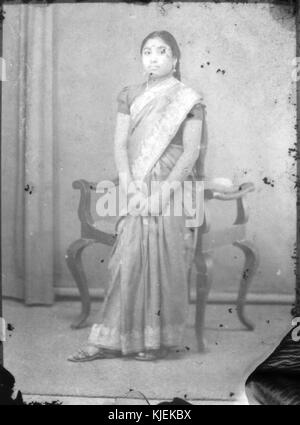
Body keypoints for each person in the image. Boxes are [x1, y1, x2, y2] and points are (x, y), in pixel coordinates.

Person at [68, 30, 208, 362]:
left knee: (164, 260)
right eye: (148, 52)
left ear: (175, 59)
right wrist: (129, 185)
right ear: (141, 57)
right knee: (125, 260)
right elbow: (119, 145)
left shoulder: (189, 99)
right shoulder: (129, 94)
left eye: (162, 52)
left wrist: (161, 195)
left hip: (170, 193)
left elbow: (189, 154)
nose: (154, 58)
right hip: (134, 189)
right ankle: (107, 340)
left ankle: (154, 340)